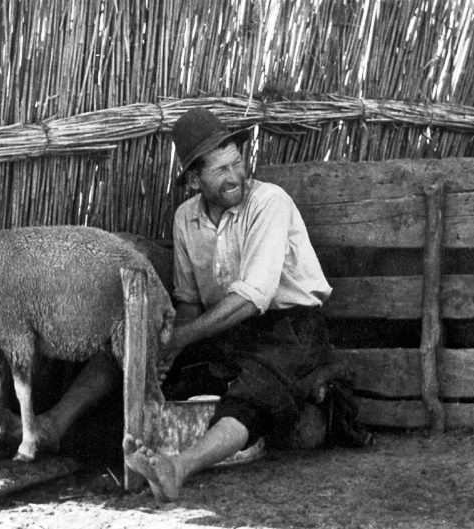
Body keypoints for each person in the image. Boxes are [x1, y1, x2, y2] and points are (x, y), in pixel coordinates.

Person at [123, 107, 368, 502]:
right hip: (227, 331)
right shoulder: (186, 219)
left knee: (252, 395)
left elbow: (254, 297)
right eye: (220, 170)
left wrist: (183, 335)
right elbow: (188, 301)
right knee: (175, 379)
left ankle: (178, 467)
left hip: (291, 327)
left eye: (237, 162)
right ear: (193, 179)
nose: (235, 176)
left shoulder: (269, 202)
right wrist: (174, 347)